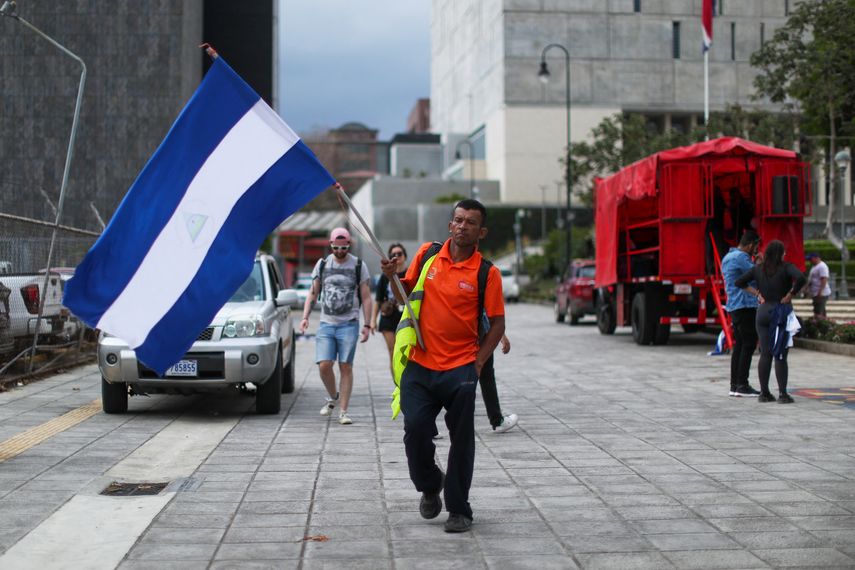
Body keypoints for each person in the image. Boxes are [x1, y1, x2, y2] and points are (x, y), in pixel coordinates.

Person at [380, 199, 504, 533]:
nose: (463, 226)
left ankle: (460, 508)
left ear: (481, 232)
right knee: (415, 430)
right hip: (420, 364)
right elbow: (404, 295)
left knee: (462, 439)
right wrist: (392, 278)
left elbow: (497, 324)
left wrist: (478, 362)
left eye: (471, 222)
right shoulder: (428, 255)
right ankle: (430, 483)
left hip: (461, 368)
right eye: (458, 220)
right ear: (450, 225)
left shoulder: (487, 273)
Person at [299, 227, 372, 425]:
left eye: (344, 248)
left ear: (349, 245)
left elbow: (366, 297)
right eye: (336, 248)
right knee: (324, 365)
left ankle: (343, 412)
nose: (340, 251)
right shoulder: (322, 264)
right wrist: (305, 317)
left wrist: (368, 324)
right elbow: (313, 293)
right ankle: (333, 396)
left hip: (349, 323)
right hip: (326, 323)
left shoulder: (359, 265)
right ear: (330, 245)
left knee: (346, 366)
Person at [735, 240, 806, 404]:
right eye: (784, 252)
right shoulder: (786, 267)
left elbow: (739, 282)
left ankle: (764, 393)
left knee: (765, 353)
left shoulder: (758, 268)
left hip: (762, 311)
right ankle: (782, 394)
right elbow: (801, 278)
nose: (785, 254)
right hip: (780, 311)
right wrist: (791, 294)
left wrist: (756, 294)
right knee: (780, 354)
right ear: (780, 253)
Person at [721, 230, 762, 397]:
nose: (756, 250)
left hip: (734, 305)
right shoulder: (742, 258)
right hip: (745, 304)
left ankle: (735, 385)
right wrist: (759, 262)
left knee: (739, 345)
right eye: (756, 246)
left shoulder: (727, 257)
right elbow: (758, 274)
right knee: (749, 344)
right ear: (751, 245)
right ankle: (742, 385)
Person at [371, 243, 408, 379]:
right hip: (388, 318)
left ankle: (405, 381)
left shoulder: (411, 273)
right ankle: (397, 382)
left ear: (404, 256)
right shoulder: (385, 276)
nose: (396, 256)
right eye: (393, 255)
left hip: (405, 318)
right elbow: (378, 299)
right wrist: (373, 320)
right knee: (393, 352)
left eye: (399, 254)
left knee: (406, 353)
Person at [479, 330, 518, 432]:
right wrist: (501, 335)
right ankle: (497, 421)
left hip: (449, 337)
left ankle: (437, 425)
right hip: (478, 336)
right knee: (486, 376)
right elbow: (492, 320)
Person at [806, 252, 831, 317]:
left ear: (816, 258)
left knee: (819, 310)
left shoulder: (822, 266)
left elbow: (824, 279)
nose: (810, 261)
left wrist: (820, 291)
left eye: (811, 259)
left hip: (821, 292)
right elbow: (812, 279)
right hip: (815, 292)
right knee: (819, 309)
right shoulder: (815, 266)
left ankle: (820, 321)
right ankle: (822, 321)